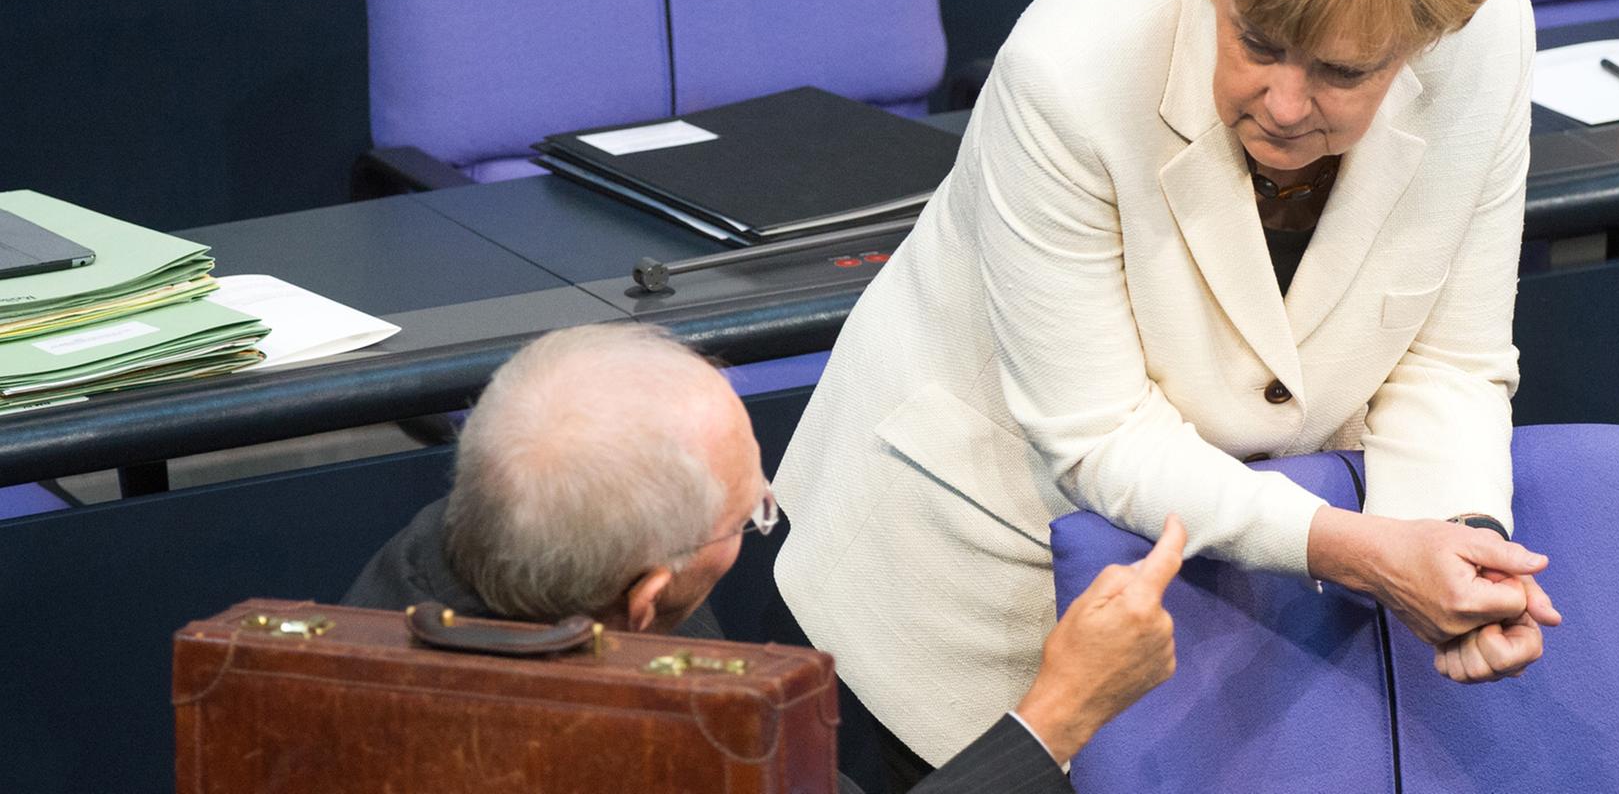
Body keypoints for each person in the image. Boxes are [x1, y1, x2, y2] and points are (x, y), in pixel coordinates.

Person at [773, 0, 1563, 786]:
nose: (1283, 105)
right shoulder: (1070, 67)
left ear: (1424, 43)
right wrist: (1364, 551)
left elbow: (1447, 358)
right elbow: (1097, 433)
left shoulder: (1486, 37)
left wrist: (1462, 541)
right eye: (1257, 44)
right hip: (970, 588)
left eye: (1340, 73)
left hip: (1241, 612)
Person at [344, 323, 1185, 794]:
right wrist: (1060, 714)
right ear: (646, 602)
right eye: (750, 513)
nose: (764, 502)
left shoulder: (415, 573)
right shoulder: (647, 759)